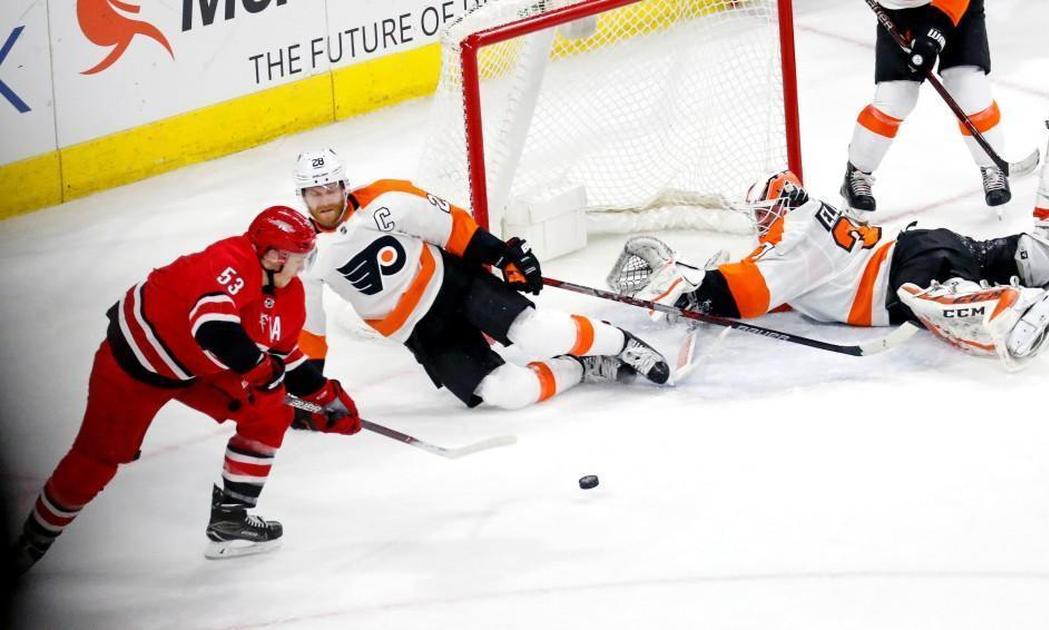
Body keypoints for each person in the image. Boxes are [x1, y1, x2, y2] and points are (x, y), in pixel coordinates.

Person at [619, 90, 1049, 367]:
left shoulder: (793, 240)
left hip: (906, 271)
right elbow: (780, 287)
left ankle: (996, 306)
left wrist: (696, 294)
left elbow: (744, 291)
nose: (760, 225)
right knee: (1047, 254)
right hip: (928, 244)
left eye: (763, 214)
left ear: (779, 206)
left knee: (930, 299)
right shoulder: (809, 221)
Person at [9, 207, 362, 575]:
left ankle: (230, 519)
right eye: (300, 258)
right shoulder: (230, 259)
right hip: (134, 364)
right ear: (273, 256)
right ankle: (32, 541)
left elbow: (283, 354)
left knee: (271, 409)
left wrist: (323, 397)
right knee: (97, 459)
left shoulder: (287, 295)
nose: (304, 268)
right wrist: (258, 370)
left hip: (195, 369)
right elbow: (212, 328)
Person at [289, 150, 670, 413]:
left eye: (330, 188)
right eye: (314, 192)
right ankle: (580, 368)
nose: (324, 200)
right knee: (509, 393)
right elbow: (308, 327)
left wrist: (503, 256)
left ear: (343, 184)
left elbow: (452, 226)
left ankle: (621, 343)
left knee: (536, 333)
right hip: (419, 331)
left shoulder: (387, 199)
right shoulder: (303, 254)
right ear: (303, 196)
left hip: (452, 284)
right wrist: (308, 390)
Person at [841, 0, 1012, 213]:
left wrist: (934, 35)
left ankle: (992, 165)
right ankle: (857, 173)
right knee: (896, 98)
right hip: (898, 12)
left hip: (956, 8)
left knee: (968, 88)